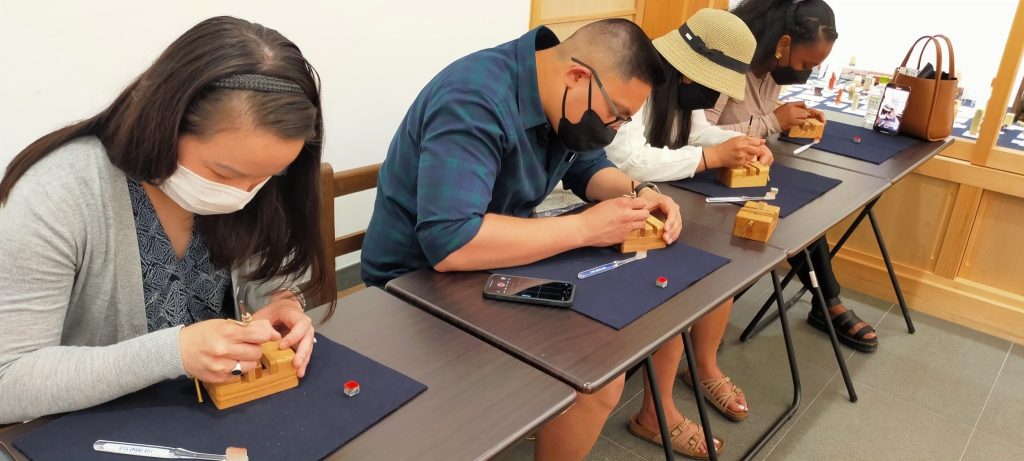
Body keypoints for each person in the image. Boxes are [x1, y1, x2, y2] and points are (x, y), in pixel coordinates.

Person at [361, 19, 724, 460]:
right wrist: (586, 228)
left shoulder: (561, 92)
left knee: (655, 306)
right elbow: (451, 241)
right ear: (578, 77)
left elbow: (588, 168)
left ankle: (648, 412)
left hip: (497, 260)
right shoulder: (473, 100)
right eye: (616, 117)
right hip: (414, 286)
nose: (611, 130)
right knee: (595, 375)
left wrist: (639, 193)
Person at [0, 16, 333, 424]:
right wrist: (174, 352)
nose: (243, 194)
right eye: (225, 175)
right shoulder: (58, 194)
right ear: (164, 124)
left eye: (266, 177)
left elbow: (264, 275)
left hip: (221, 415)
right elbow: (8, 381)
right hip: (98, 426)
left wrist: (280, 303)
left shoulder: (254, 178)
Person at [536, 7, 765, 436]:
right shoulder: (630, 84)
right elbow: (625, 157)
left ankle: (663, 403)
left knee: (687, 280)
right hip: (568, 212)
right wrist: (708, 159)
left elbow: (603, 162)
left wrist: (736, 143)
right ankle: (652, 408)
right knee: (657, 287)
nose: (714, 99)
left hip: (600, 203)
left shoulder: (666, 91)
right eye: (711, 86)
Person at [708, 0, 879, 353]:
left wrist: (790, 115)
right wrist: (774, 120)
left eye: (815, 67)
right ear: (783, 44)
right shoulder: (727, 64)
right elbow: (702, 133)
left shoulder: (771, 68)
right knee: (786, 213)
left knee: (802, 213)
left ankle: (827, 301)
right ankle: (826, 303)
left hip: (746, 166)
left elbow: (755, 114)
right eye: (805, 63)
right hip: (710, 173)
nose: (806, 73)